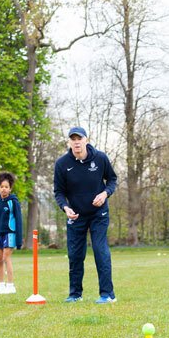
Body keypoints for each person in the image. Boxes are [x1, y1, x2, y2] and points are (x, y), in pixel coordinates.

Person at [53, 126, 118, 303]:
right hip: (75, 215)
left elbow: (112, 180)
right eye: (72, 139)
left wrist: (105, 194)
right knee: (75, 254)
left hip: (99, 213)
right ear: (69, 142)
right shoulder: (62, 164)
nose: (76, 142)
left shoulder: (100, 158)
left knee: (99, 250)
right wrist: (65, 208)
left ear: (86, 140)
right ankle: (75, 294)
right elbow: (58, 191)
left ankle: (107, 294)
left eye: (79, 139)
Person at [0, 172, 22, 294]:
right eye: (1, 187)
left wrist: (19, 239)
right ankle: (1, 285)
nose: (4, 189)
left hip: (10, 234)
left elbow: (19, 220)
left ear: (10, 188)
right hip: (0, 235)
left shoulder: (13, 202)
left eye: (6, 187)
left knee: (6, 258)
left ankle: (11, 285)